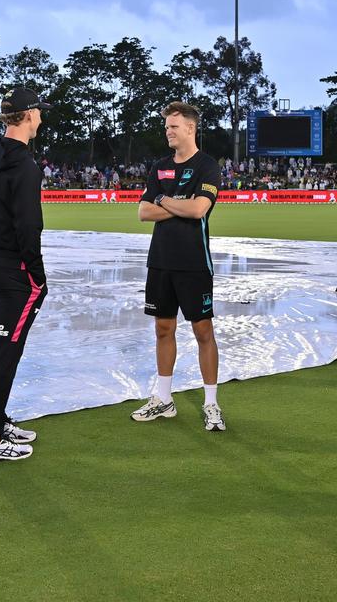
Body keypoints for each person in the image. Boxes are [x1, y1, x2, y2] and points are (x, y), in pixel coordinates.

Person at [0, 88, 51, 463]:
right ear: (29, 115)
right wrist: (38, 275)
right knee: (6, 352)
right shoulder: (25, 166)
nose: (42, 119)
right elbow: (28, 226)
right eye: (39, 112)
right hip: (13, 270)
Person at [132, 101, 226, 432]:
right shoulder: (159, 167)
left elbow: (200, 209)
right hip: (160, 262)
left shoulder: (207, 166)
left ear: (190, 128)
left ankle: (211, 403)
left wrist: (162, 200)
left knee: (203, 331)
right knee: (163, 329)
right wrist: (177, 205)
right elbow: (143, 213)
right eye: (166, 127)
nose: (168, 132)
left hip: (194, 262)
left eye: (173, 127)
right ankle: (163, 399)